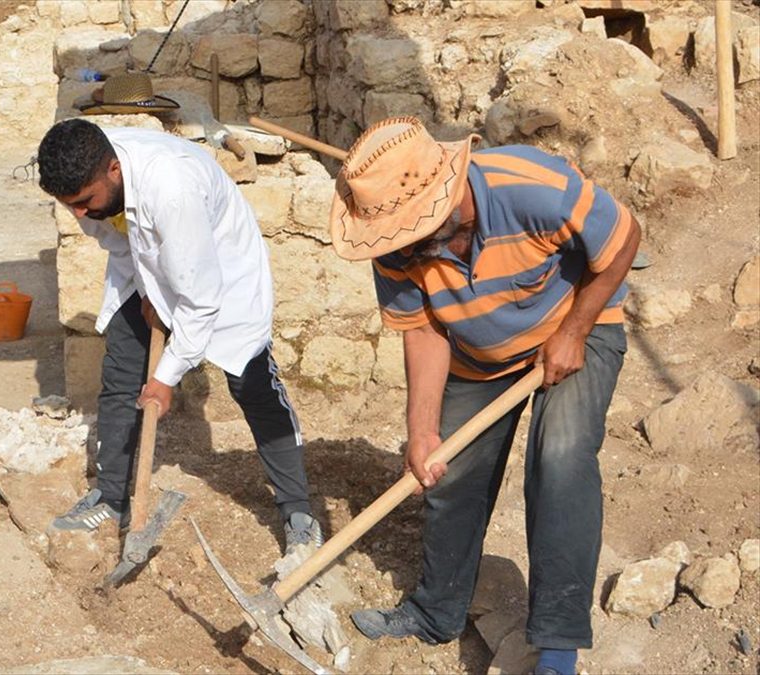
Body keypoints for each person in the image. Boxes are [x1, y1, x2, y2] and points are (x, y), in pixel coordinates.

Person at [334, 117, 640, 675]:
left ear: (449, 202)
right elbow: (424, 330)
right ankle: (435, 614)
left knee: (560, 459)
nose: (402, 249)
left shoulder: (530, 186)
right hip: (479, 354)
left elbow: (625, 236)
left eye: (412, 233)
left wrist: (572, 333)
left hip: (576, 326)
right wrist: (422, 429)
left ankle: (556, 646)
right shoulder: (394, 246)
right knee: (445, 472)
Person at [35, 118, 321, 553]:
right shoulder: (88, 188)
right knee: (120, 373)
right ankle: (112, 498)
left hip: (219, 265)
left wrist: (166, 378)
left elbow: (201, 301)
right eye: (69, 204)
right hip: (146, 261)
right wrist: (150, 288)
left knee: (251, 381)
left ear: (113, 169)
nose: (78, 213)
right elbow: (116, 240)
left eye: (83, 201)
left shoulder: (172, 187)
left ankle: (297, 509)